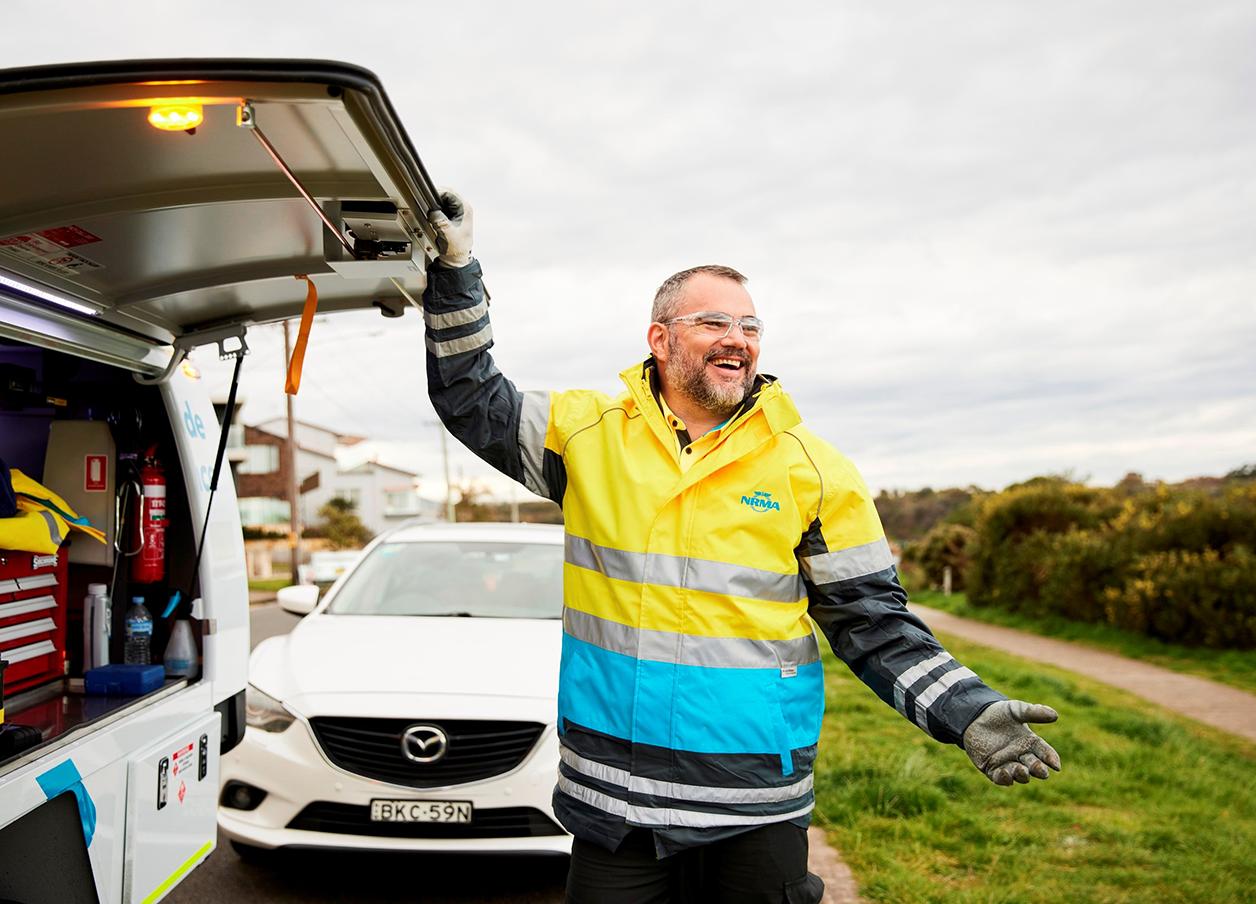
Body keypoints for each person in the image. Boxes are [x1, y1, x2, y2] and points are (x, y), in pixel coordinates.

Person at [422, 192, 1061, 904]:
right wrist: (456, 272)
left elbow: (873, 623)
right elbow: (471, 398)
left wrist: (966, 710)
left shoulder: (813, 469)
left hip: (754, 799)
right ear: (660, 339)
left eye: (751, 326)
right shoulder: (583, 434)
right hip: (615, 803)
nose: (738, 338)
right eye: (714, 322)